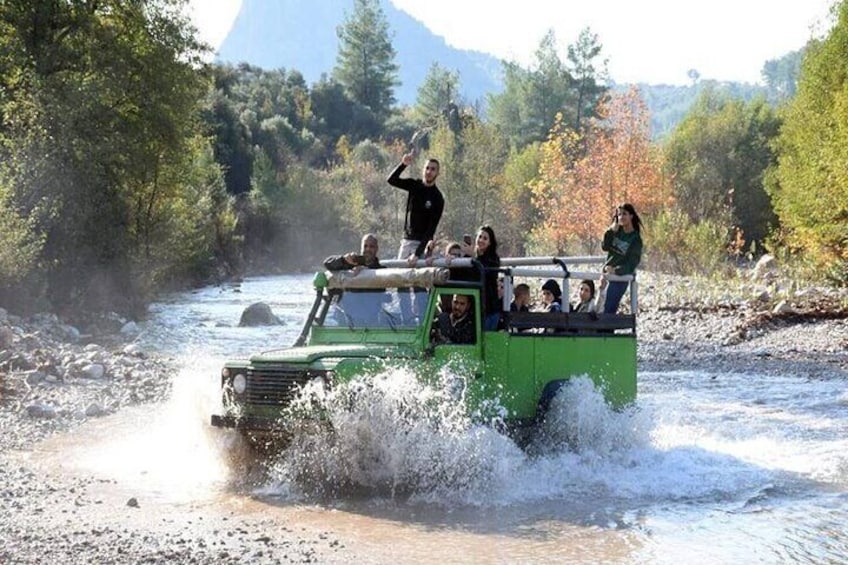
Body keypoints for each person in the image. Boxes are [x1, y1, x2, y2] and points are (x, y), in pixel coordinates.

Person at [387, 152, 445, 265]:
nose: (429, 172)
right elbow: (391, 180)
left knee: (418, 280)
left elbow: (431, 229)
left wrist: (417, 253)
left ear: (437, 173)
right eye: (427, 168)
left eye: (433, 169)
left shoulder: (438, 198)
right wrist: (403, 165)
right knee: (399, 277)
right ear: (423, 170)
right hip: (406, 241)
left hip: (421, 245)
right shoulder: (414, 185)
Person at [601, 203, 643, 314]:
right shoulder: (616, 232)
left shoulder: (635, 239)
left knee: (609, 309)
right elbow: (605, 247)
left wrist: (616, 270)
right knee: (599, 308)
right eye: (619, 214)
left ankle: (607, 331)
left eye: (624, 214)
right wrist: (610, 231)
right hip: (606, 275)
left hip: (620, 278)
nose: (621, 217)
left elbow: (632, 262)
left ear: (631, 216)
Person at [461, 225, 501, 331]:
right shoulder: (469, 256)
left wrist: (474, 256)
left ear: (490, 242)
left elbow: (486, 272)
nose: (481, 240)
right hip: (472, 309)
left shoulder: (493, 259)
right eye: (479, 237)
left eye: (485, 238)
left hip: (489, 311)